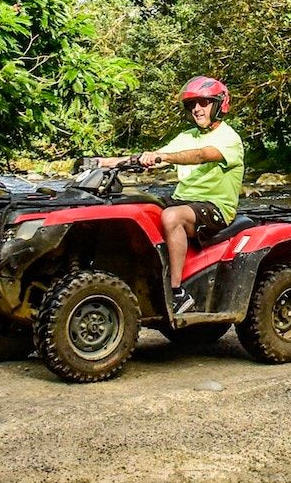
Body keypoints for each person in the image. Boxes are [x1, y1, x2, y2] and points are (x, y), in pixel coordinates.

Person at [93, 76, 243, 315]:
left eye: (203, 102)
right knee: (138, 207)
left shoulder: (229, 138)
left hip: (215, 208)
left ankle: (177, 291)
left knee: (171, 217)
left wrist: (165, 157)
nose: (196, 109)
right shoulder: (187, 136)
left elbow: (201, 155)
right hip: (186, 202)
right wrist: (102, 163)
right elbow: (155, 156)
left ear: (218, 104)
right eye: (192, 104)